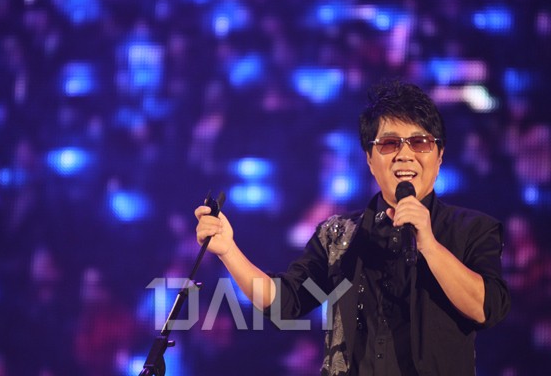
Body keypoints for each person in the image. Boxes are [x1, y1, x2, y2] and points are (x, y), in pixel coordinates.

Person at [194, 80, 511, 375]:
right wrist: (228, 251)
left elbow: (486, 309)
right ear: (370, 159)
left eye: (419, 143)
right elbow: (283, 302)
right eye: (389, 143)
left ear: (439, 156)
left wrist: (428, 243)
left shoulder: (473, 229)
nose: (405, 155)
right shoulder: (337, 235)